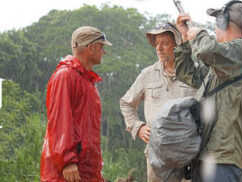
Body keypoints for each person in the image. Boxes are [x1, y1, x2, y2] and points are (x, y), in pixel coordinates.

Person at [173, 0, 242, 182]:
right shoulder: (222, 64)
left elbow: (207, 49)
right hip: (207, 154)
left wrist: (198, 33)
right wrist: (185, 40)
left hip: (223, 157)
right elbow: (187, 74)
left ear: (223, 22)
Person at [119, 23, 198, 181]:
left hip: (189, 156)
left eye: (165, 43)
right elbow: (126, 103)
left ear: (177, 45)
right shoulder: (147, 74)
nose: (159, 48)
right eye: (156, 43)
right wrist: (138, 127)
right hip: (157, 156)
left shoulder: (195, 74)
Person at [40, 26, 113, 182]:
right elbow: (59, 121)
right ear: (91, 48)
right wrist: (67, 161)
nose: (104, 52)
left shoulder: (88, 81)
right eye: (102, 47)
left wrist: (96, 173)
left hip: (85, 171)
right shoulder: (65, 76)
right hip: (67, 172)